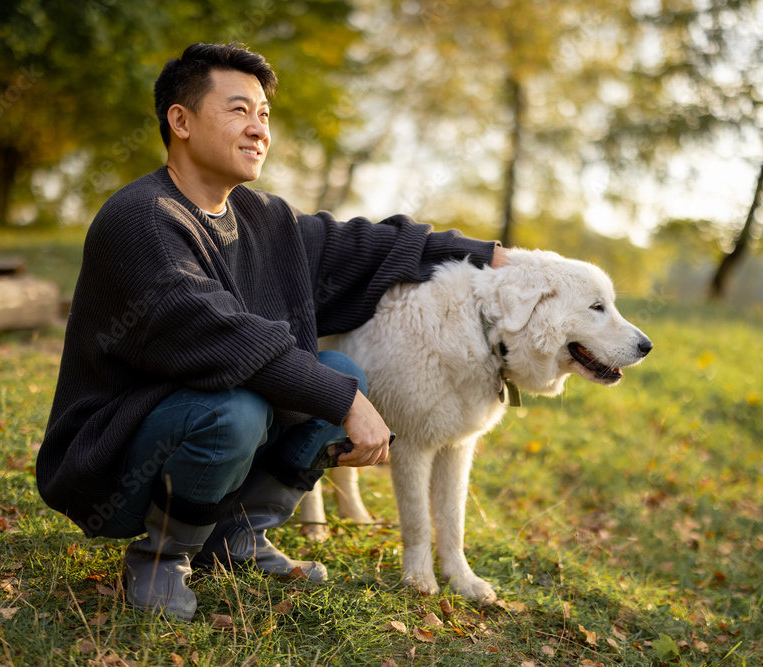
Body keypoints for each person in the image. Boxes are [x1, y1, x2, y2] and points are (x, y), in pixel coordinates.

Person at [36, 42, 508, 621]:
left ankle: (235, 537)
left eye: (264, 114)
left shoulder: (263, 217)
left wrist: (486, 254)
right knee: (245, 407)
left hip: (193, 434)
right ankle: (161, 556)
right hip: (113, 460)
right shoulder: (141, 219)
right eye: (238, 110)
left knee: (338, 370)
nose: (258, 128)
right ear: (179, 121)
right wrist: (348, 405)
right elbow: (222, 336)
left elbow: (362, 245)